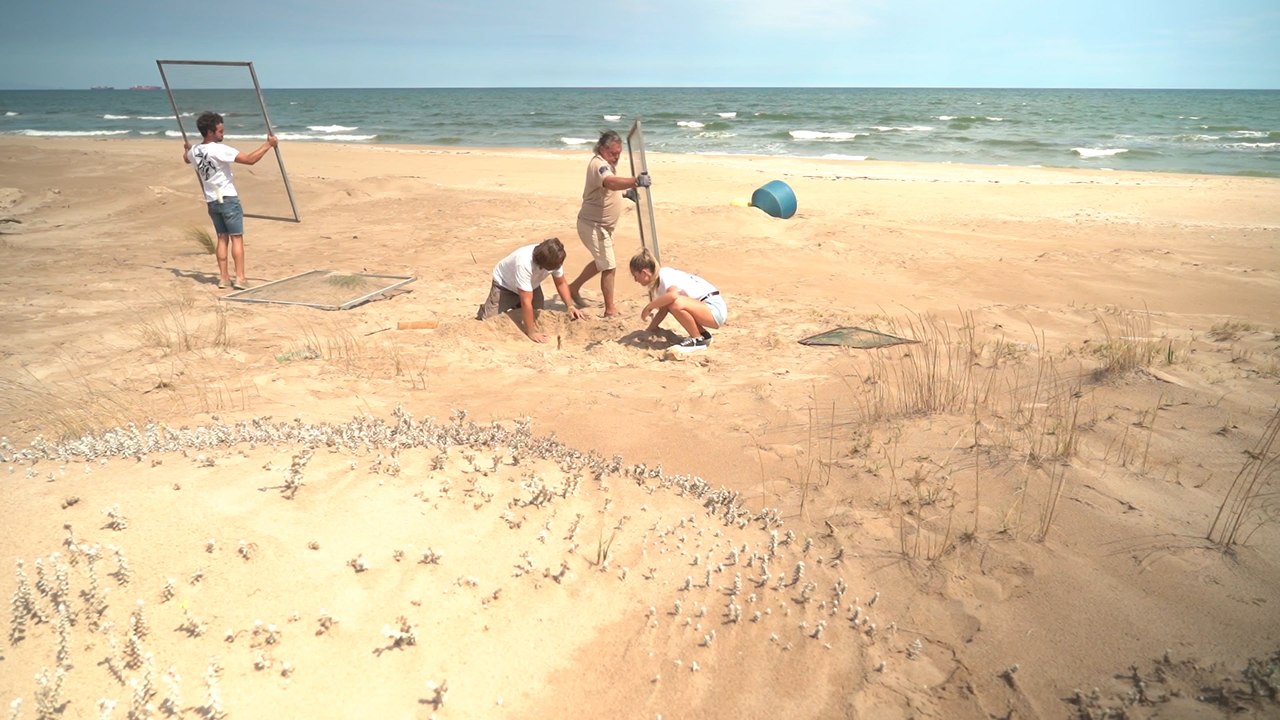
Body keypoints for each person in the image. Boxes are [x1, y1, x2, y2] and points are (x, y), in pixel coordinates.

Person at [183, 111, 278, 290]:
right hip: (227, 199)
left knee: (221, 238)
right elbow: (250, 160)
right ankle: (240, 278)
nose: (222, 134)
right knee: (236, 238)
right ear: (210, 132)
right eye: (220, 131)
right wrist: (268, 144)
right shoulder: (219, 149)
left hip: (212, 201)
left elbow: (186, 158)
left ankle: (224, 278)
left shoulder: (194, 151)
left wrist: (187, 149)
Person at [567, 130, 652, 318]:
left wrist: (626, 192)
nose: (616, 157)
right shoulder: (599, 165)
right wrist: (636, 181)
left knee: (602, 262)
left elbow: (607, 191)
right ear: (602, 149)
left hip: (601, 227)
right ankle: (610, 310)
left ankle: (572, 288)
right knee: (609, 266)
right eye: (613, 153)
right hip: (593, 226)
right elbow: (610, 183)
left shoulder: (607, 164)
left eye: (619, 153)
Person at [476, 237, 585, 343]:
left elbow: (561, 283)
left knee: (538, 315)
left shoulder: (555, 257)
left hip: (532, 284)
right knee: (488, 320)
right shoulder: (524, 263)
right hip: (505, 285)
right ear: (542, 264)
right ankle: (485, 309)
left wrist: (570, 306)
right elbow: (526, 301)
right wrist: (531, 333)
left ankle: (515, 306)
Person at [629, 247, 727, 354]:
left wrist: (649, 307)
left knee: (675, 304)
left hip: (714, 309)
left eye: (635, 276)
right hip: (707, 308)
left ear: (644, 273)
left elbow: (673, 296)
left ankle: (697, 340)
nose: (635, 280)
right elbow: (663, 310)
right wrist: (650, 330)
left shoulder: (664, 275)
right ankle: (703, 335)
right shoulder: (659, 283)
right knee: (671, 304)